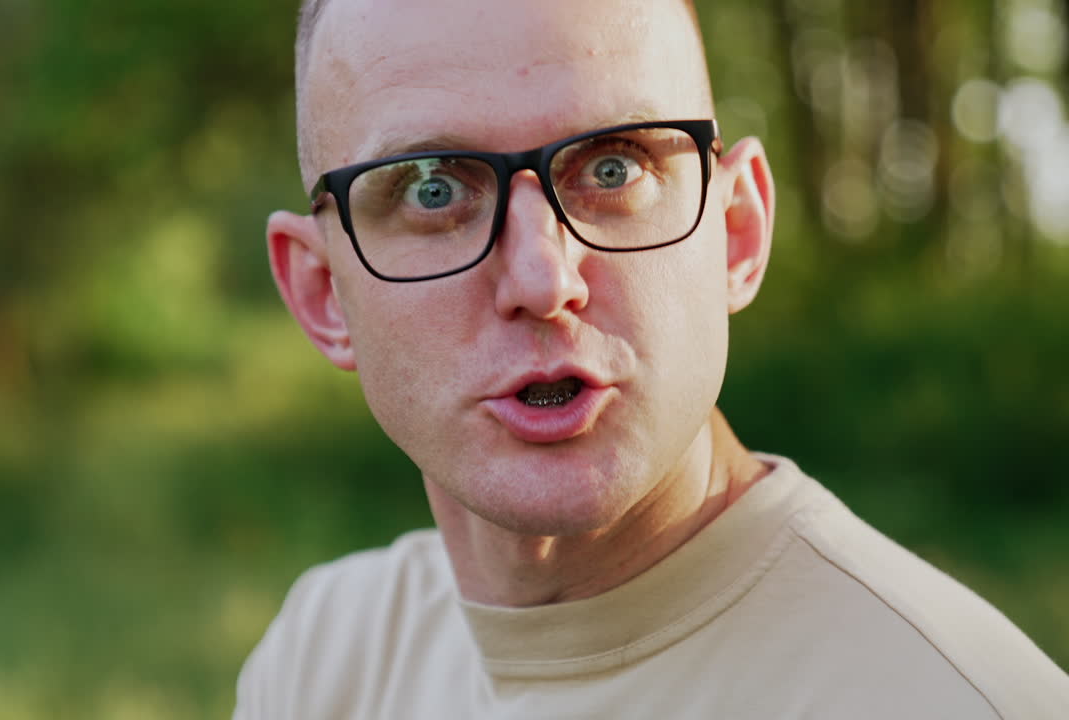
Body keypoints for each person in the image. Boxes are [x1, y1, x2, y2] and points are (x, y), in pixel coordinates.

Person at [236, 0, 1068, 717]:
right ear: (322, 293)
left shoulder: (952, 699)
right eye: (432, 190)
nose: (542, 277)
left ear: (736, 233)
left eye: (612, 166)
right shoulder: (322, 661)